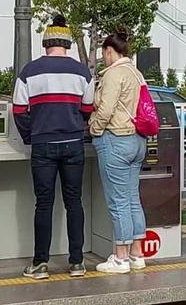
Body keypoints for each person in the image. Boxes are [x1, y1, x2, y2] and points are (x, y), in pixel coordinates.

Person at [13, 15, 94, 280]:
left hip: (43, 145)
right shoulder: (83, 72)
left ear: (46, 42)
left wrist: (30, 135)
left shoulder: (29, 71)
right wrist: (74, 124)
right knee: (74, 202)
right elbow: (87, 108)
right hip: (73, 144)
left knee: (44, 204)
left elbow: (19, 110)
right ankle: (77, 262)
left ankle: (40, 263)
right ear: (67, 43)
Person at [89, 32, 149, 275]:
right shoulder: (136, 72)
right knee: (133, 198)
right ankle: (137, 254)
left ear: (109, 51)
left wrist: (94, 128)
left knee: (118, 201)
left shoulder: (113, 74)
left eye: (104, 54)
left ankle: (121, 258)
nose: (104, 59)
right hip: (137, 141)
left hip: (116, 139)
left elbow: (106, 108)